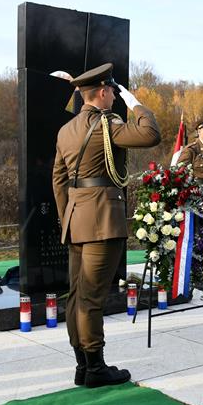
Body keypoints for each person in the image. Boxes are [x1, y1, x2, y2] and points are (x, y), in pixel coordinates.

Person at [52, 63, 161, 388]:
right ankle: (96, 367)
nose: (114, 96)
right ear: (102, 91)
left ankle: (82, 365)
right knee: (91, 298)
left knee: (76, 296)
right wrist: (133, 100)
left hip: (77, 220)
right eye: (113, 90)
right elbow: (149, 133)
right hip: (102, 221)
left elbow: (58, 179)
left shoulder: (66, 129)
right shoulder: (105, 125)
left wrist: (69, 215)